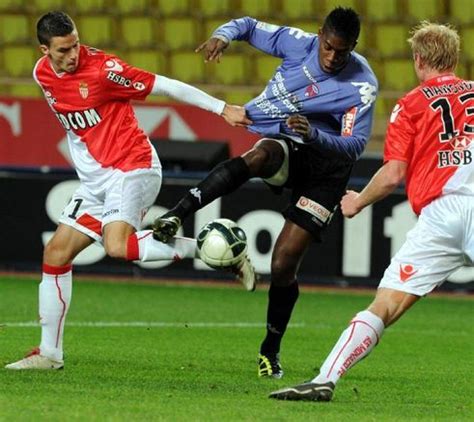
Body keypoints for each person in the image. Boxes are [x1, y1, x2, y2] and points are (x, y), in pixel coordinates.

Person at [5, 11, 255, 370]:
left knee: (117, 245)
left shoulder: (105, 70)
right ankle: (49, 355)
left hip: (132, 166)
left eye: (75, 45)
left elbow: (166, 84)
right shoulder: (41, 74)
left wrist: (221, 108)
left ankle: (215, 250)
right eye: (63, 50)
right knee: (57, 253)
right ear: (45, 50)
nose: (73, 55)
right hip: (96, 183)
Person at [153, 8, 378, 378]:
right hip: (291, 141)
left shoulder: (361, 84)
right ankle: (178, 212)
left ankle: (269, 352)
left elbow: (354, 145)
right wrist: (223, 36)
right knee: (261, 154)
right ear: (320, 35)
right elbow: (248, 25)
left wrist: (315, 134)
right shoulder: (299, 44)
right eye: (328, 47)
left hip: (326, 171)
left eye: (342, 51)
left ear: (353, 47)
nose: (333, 57)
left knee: (282, 264)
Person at [269, 21, 473, 401]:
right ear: (455, 58)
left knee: (386, 304)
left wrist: (358, 200)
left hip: (440, 214)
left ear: (417, 59)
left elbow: (394, 173)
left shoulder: (411, 105)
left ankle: (325, 379)